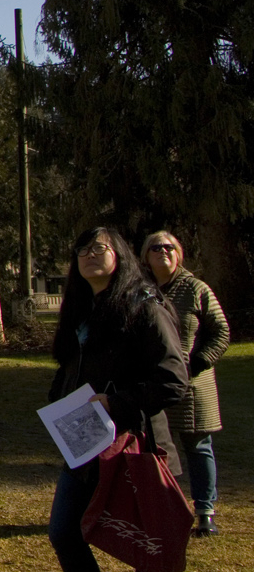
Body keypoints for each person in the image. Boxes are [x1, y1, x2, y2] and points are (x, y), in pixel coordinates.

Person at [47, 227, 189, 572]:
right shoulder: (82, 309)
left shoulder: (145, 305)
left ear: (119, 255)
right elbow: (71, 368)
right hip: (85, 442)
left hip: (134, 443)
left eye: (99, 248)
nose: (89, 255)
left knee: (151, 547)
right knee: (64, 532)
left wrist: (116, 403)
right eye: (82, 250)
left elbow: (173, 381)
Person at [142, 230, 230, 537]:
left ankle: (205, 511)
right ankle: (167, 508)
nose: (163, 251)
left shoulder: (196, 288)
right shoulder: (141, 290)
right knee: (156, 449)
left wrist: (197, 362)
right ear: (145, 256)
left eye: (170, 247)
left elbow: (221, 332)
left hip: (193, 384)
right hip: (154, 383)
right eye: (156, 247)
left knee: (198, 446)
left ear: (179, 253)